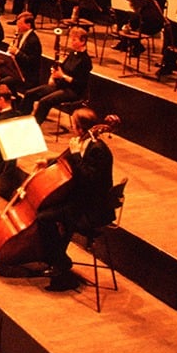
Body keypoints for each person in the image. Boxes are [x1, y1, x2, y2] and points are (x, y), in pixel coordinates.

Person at [34, 108, 116, 292]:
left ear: (80, 128)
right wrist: (48, 162)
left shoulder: (98, 150)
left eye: (73, 125)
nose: (72, 128)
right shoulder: (85, 142)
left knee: (44, 218)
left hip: (92, 209)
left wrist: (77, 154)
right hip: (82, 200)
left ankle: (60, 263)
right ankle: (58, 260)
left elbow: (88, 179)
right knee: (49, 211)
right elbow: (70, 162)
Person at [21, 26, 93, 125]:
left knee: (44, 102)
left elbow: (80, 84)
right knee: (30, 93)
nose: (71, 42)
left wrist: (62, 76)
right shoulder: (73, 53)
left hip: (73, 91)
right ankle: (21, 118)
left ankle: (35, 125)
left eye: (74, 40)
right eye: (71, 39)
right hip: (61, 86)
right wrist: (54, 73)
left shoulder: (85, 61)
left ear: (83, 41)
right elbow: (62, 68)